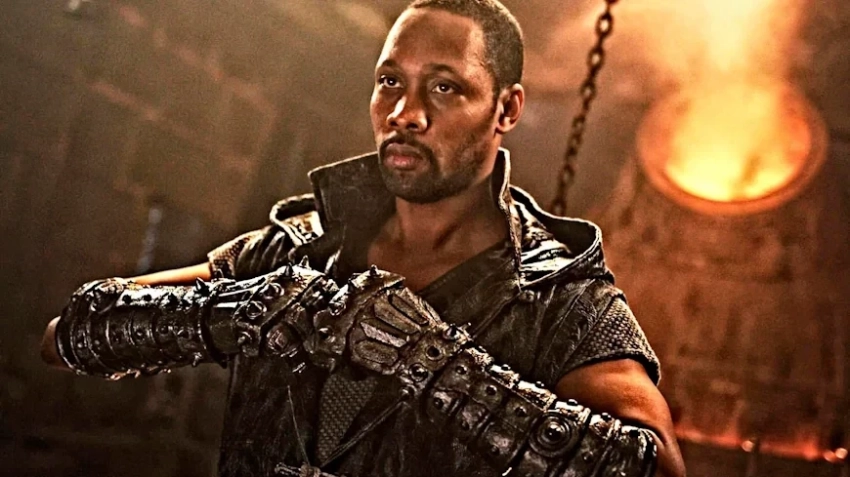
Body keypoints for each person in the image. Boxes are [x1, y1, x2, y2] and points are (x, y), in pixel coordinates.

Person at [42, 1, 686, 476]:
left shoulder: (560, 293)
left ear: (507, 109)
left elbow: (655, 469)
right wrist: (246, 311)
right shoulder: (300, 244)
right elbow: (67, 334)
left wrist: (428, 359)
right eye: (389, 82)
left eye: (445, 87)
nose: (405, 114)